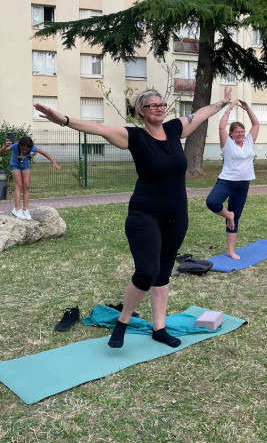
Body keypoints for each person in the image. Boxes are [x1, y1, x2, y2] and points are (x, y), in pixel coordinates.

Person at [34, 86, 232, 348]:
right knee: (146, 272)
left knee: (162, 273)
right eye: (153, 105)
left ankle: (159, 328)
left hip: (177, 215)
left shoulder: (174, 129)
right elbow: (99, 129)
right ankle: (123, 321)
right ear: (141, 111)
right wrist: (64, 120)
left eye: (162, 104)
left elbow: (200, 113)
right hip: (144, 214)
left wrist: (223, 102)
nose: (160, 108)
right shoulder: (134, 137)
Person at [206, 99, 259, 259]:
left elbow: (256, 125)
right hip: (226, 182)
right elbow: (221, 126)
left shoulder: (249, 142)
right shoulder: (227, 144)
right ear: (231, 134)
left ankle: (230, 250)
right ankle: (228, 215)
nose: (240, 134)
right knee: (212, 202)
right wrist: (230, 106)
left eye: (242, 131)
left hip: (243, 185)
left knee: (237, 217)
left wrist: (248, 108)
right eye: (237, 132)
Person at [0, 135, 61, 220]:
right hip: (15, 166)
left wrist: (53, 162)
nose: (25, 151)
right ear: (19, 146)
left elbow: (44, 153)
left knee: (27, 186)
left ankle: (25, 209)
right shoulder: (14, 146)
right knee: (19, 185)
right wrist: (5, 146)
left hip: (25, 167)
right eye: (23, 149)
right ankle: (17, 209)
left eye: (27, 149)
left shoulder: (32, 148)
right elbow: (1, 152)